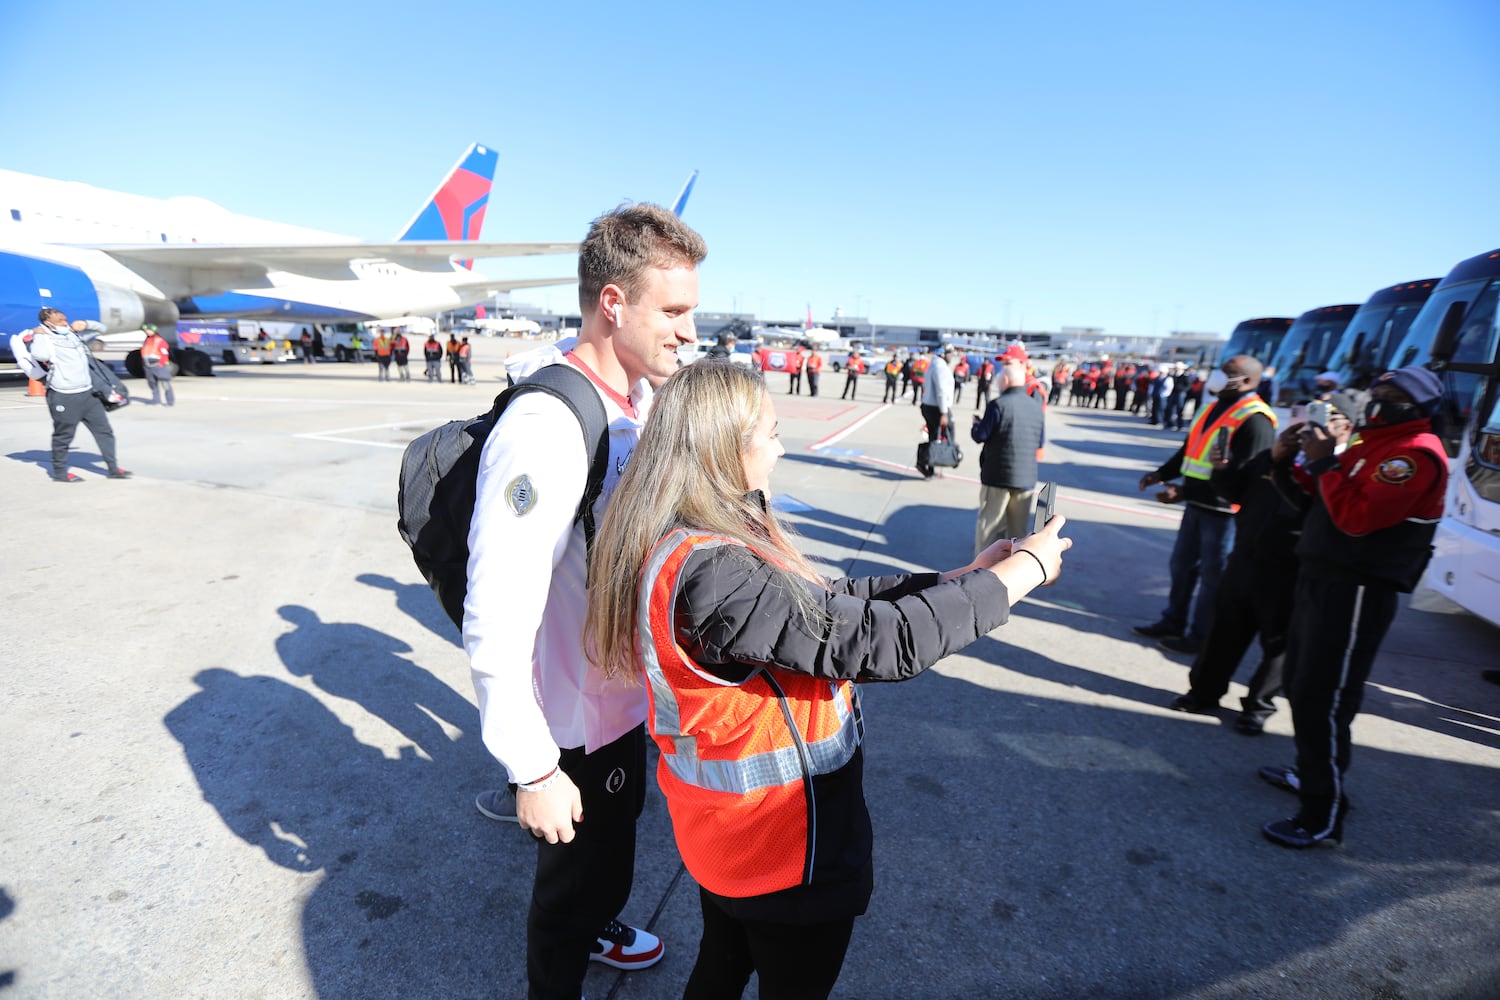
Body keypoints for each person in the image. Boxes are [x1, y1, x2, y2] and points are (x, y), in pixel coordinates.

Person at [582, 360, 1072, 1000]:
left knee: (722, 964)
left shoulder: (693, 542)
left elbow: (825, 603)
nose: (781, 448)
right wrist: (1018, 578)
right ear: (729, 446)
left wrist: (964, 580)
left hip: (730, 841)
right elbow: (877, 642)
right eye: (773, 432)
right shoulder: (714, 572)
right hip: (782, 851)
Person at [464, 203, 704, 997]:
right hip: (572, 724)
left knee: (611, 863)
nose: (687, 330)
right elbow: (494, 610)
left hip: (618, 703)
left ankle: (600, 920)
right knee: (565, 903)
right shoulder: (547, 425)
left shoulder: (631, 403)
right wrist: (531, 769)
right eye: (672, 311)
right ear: (613, 304)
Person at [1259, 367, 1448, 849]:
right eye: (1377, 393)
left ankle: (1321, 815)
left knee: (1325, 697)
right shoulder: (1371, 444)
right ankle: (1310, 775)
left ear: (1418, 405)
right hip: (1322, 577)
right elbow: (1322, 501)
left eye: (1391, 396)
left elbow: (1358, 520)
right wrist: (1288, 462)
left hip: (1357, 589)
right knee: (1303, 686)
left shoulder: (1415, 453)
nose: (1379, 401)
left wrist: (1325, 463)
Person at [1168, 395, 1357, 734]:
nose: (1313, 426)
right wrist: (1227, 468)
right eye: (1311, 416)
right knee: (1223, 631)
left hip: (1290, 570)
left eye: (1328, 419)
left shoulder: (1344, 468)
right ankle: (1203, 693)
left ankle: (1258, 707)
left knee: (1278, 646)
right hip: (1245, 559)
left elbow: (1309, 508)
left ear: (1347, 428)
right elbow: (1235, 492)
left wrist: (1289, 464)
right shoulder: (1279, 456)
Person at [1134, 356, 1277, 655]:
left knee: (1213, 576)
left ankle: (1201, 636)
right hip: (1197, 504)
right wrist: (1161, 474)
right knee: (1182, 566)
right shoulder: (1213, 407)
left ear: (1249, 381)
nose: (1218, 377)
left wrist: (1185, 491)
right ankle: (1173, 621)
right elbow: (1190, 449)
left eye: (1229, 373)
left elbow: (1242, 477)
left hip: (1223, 512)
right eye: (1221, 371)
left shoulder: (1256, 419)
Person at [22, 308, 131, 482]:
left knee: (104, 431)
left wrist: (86, 324)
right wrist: (40, 334)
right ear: (47, 323)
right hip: (64, 395)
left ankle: (113, 468)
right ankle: (60, 473)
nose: (65, 323)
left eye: (65, 319)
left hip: (88, 394)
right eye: (59, 321)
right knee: (63, 436)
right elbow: (39, 354)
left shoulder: (72, 334)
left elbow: (101, 329)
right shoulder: (43, 338)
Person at [971, 344, 1045, 553]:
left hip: (998, 475)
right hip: (1025, 477)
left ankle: (981, 573)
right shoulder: (1035, 405)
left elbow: (981, 435)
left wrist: (977, 425)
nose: (1001, 369)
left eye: (1007, 364)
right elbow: (1040, 441)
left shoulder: (1000, 404)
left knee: (990, 527)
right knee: (1017, 531)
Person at [915, 346, 955, 479]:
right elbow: (941, 391)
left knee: (934, 437)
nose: (952, 356)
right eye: (950, 353)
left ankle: (929, 466)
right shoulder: (940, 368)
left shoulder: (933, 365)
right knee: (946, 435)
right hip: (937, 407)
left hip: (929, 405)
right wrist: (944, 412)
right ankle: (926, 461)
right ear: (943, 354)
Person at [140, 325, 175, 407]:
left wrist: (162, 363)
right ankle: (156, 401)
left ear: (154, 331)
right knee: (152, 384)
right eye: (146, 330)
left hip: (158, 366)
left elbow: (164, 353)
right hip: (148, 366)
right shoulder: (147, 340)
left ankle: (170, 402)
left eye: (149, 330)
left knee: (165, 384)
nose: (147, 332)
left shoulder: (160, 341)